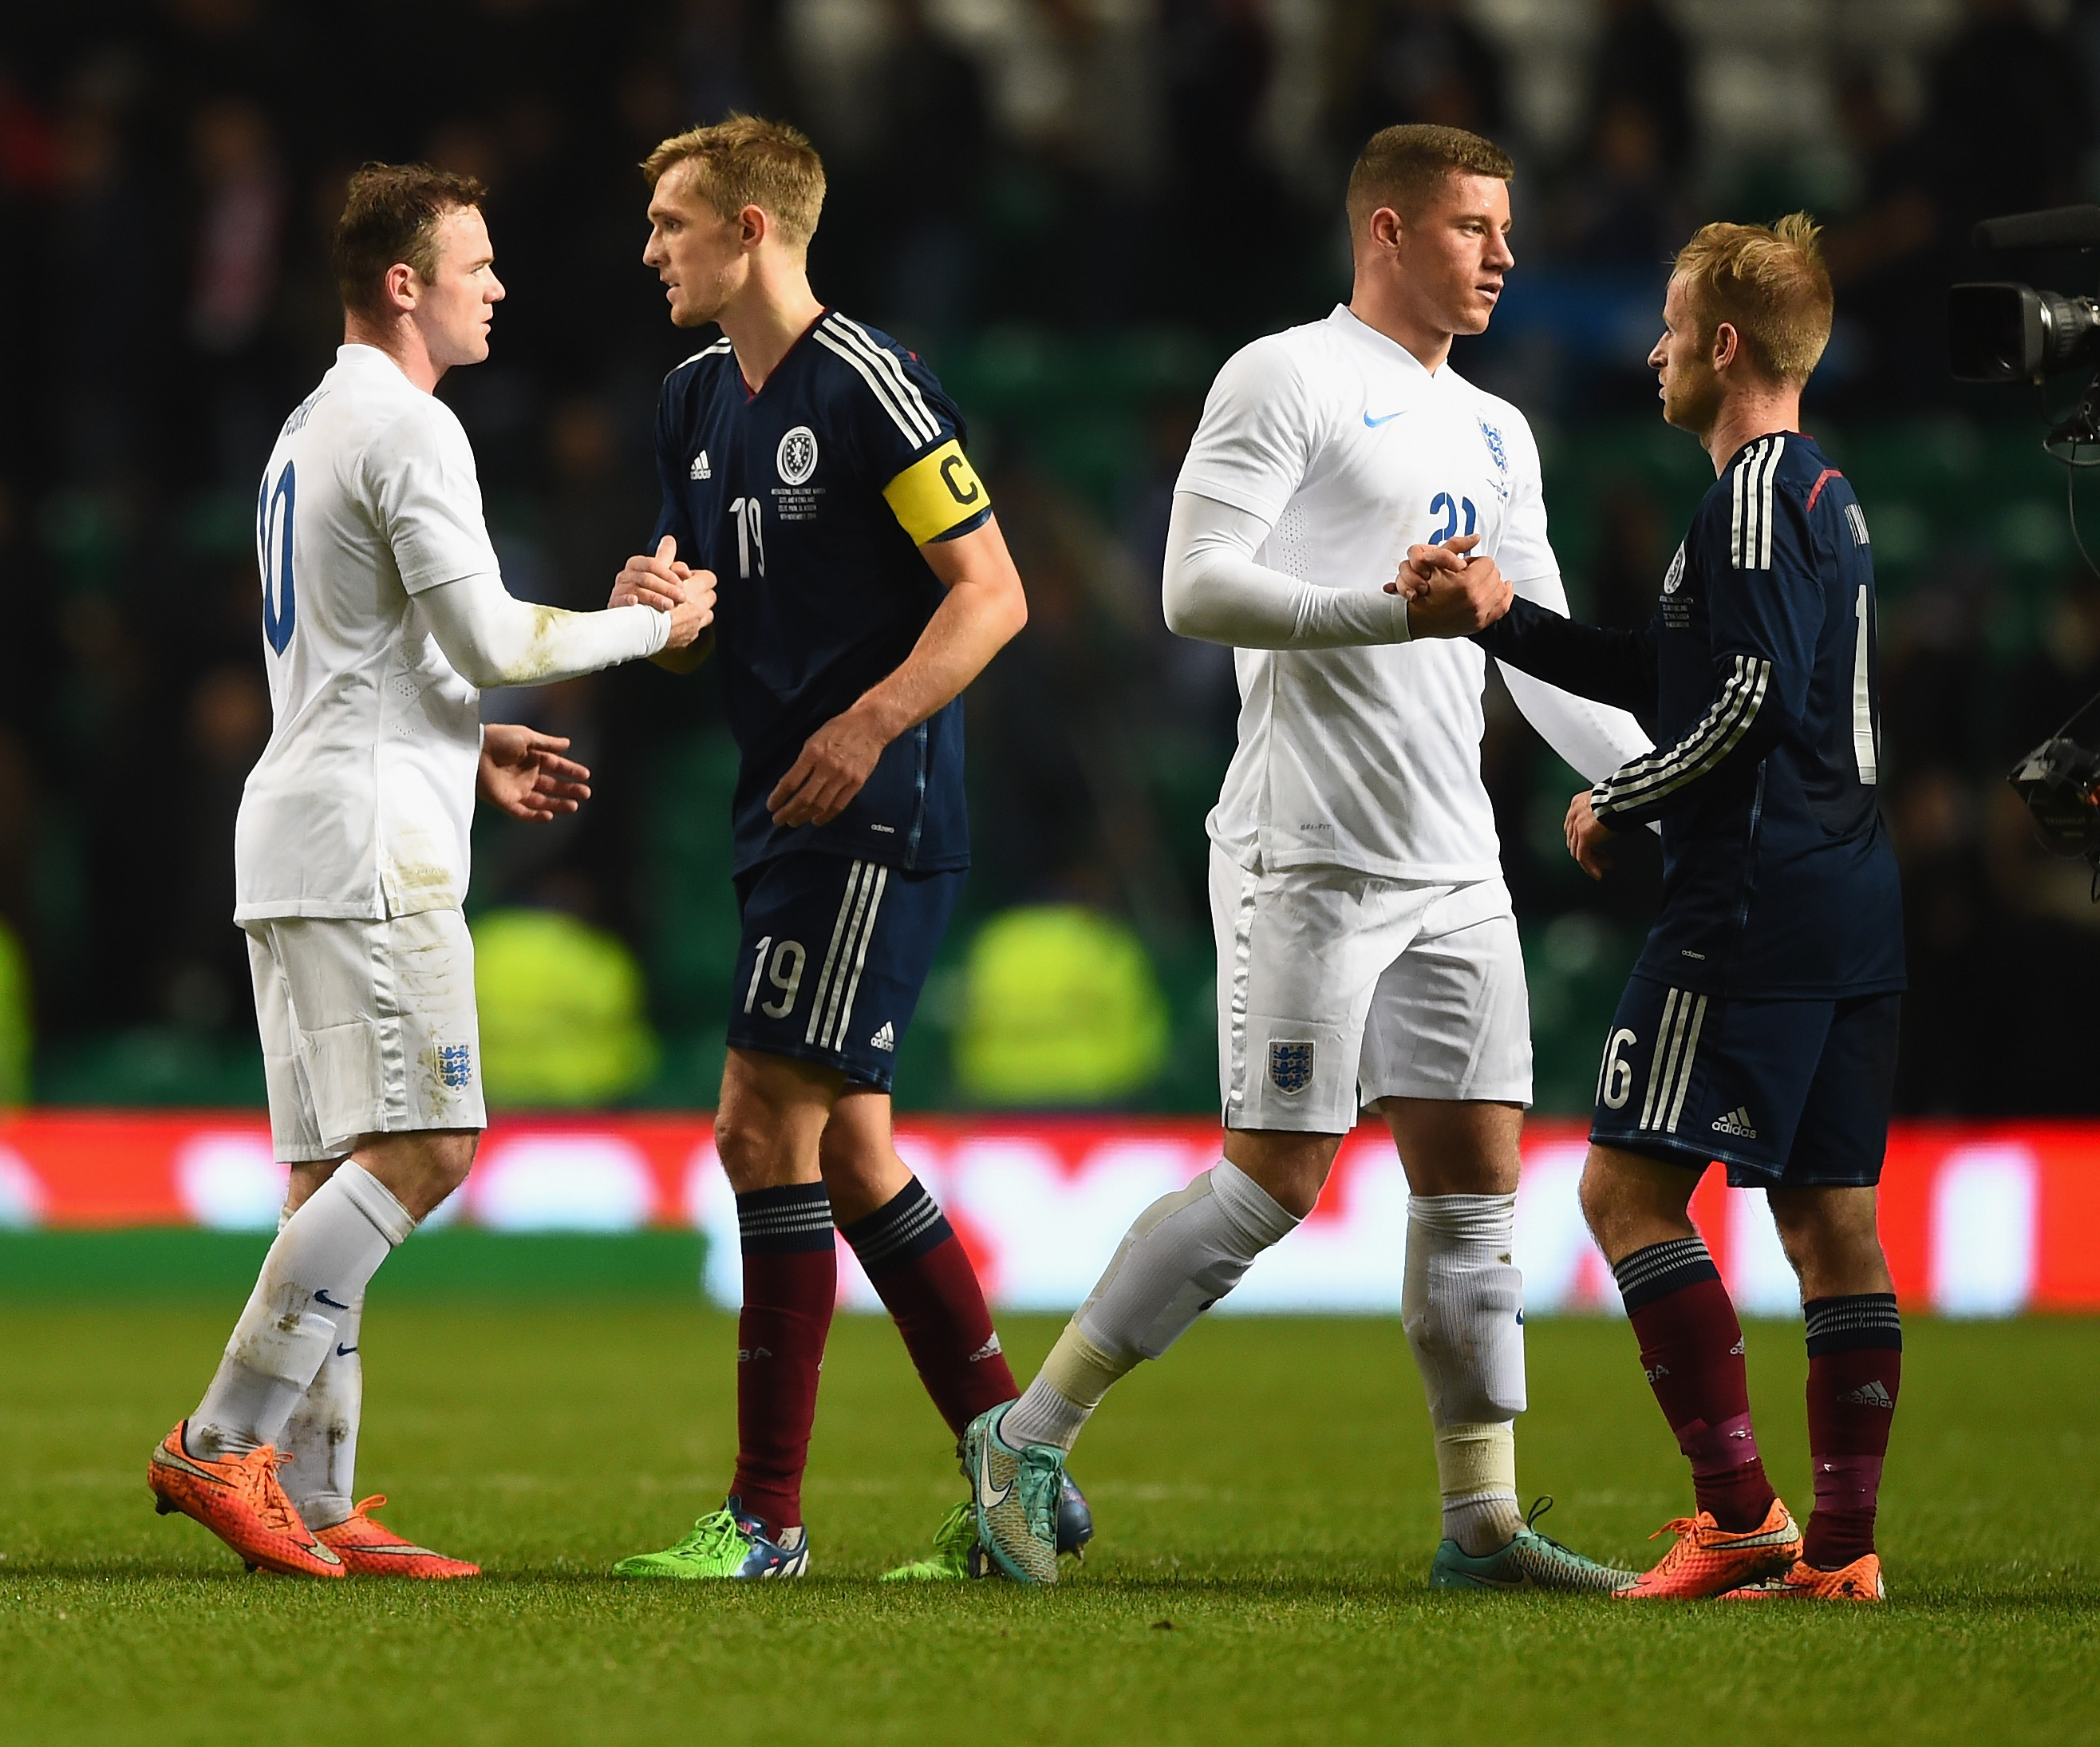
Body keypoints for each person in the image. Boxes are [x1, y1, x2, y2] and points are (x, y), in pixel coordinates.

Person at [963, 123, 1654, 1589]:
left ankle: (1481, 1521)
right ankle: (1025, 1434)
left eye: (1506, 227)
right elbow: (1192, 586)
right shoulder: (1285, 375)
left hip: (1454, 857)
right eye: (1474, 226)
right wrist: (1390, 617)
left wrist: (1659, 778)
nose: (1504, 254)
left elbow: (1536, 653)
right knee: (1271, 1183)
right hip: (1309, 857)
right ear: (1388, 230)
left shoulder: (1498, 429)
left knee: (1476, 1189)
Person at [146, 163, 711, 1579]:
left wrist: (471, 750)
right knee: (427, 1148)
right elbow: (495, 639)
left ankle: (319, 1496)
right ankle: (223, 1440)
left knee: (330, 1171)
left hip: (301, 829)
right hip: (370, 857)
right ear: (404, 284)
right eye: (476, 262)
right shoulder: (409, 429)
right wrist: (654, 628)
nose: (497, 284)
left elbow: (365, 667)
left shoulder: (306, 428)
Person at [603, 117, 1072, 1583]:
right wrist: (661, 617)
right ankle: (1025, 1482)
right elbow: (707, 627)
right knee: (855, 1153)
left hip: (874, 804)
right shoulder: (689, 399)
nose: (651, 250)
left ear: (751, 227)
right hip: (781, 798)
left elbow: (990, 593)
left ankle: (766, 1519)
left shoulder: (870, 382)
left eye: (673, 222)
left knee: (760, 1123)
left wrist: (869, 725)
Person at [1469, 215, 1905, 1602]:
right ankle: (1841, 1553)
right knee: (1831, 1218)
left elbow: (1748, 702)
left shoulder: (1753, 494)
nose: (1650, 349)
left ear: (1724, 347)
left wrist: (1630, 794)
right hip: (1851, 895)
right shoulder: (1820, 494)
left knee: (1623, 1190)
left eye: (1668, 327)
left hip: (1750, 900)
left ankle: (1737, 1513)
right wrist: (1499, 618)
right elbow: (1669, 673)